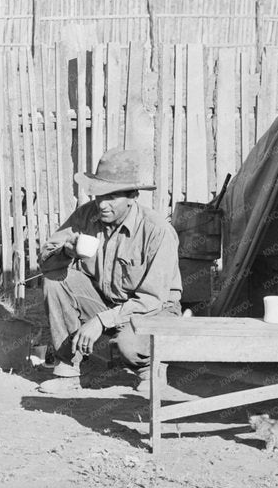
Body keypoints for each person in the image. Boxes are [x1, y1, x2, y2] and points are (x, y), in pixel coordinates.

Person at [35, 147, 180, 396]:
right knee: (56, 279)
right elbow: (46, 263)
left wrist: (101, 321)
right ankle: (69, 370)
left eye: (111, 197)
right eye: (98, 196)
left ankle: (151, 369)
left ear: (133, 196)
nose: (102, 204)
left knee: (129, 344)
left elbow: (152, 300)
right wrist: (66, 252)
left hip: (154, 312)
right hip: (108, 303)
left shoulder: (157, 231)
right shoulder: (86, 216)